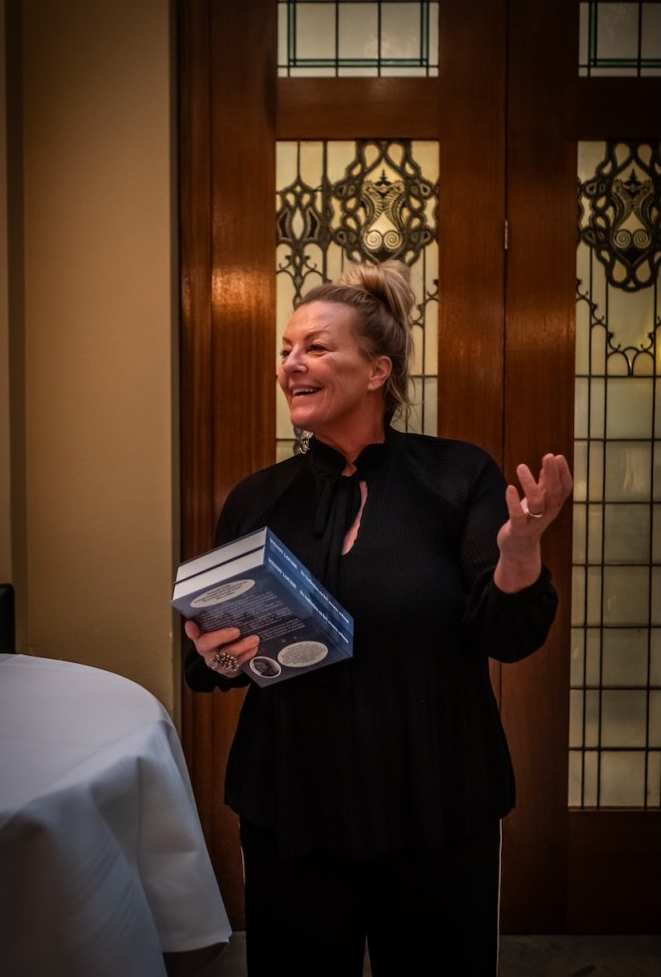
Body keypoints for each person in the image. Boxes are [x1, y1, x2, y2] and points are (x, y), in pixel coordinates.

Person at [183, 259, 573, 976]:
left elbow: (508, 635)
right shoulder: (255, 499)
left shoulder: (459, 476)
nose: (291, 364)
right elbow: (217, 665)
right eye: (286, 349)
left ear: (377, 371)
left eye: (315, 347)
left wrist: (520, 548)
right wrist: (220, 654)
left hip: (435, 799)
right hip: (294, 804)